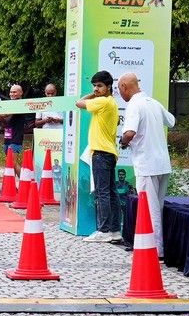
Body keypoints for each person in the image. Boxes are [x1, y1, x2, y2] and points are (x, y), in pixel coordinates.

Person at [117, 74, 176, 253]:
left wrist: (123, 142)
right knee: (157, 207)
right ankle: (155, 246)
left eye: (119, 89)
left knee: (150, 209)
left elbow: (129, 132)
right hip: (162, 163)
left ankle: (155, 249)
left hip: (147, 164)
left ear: (124, 86)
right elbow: (172, 121)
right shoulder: (153, 103)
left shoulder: (134, 105)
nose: (120, 93)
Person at [74, 70, 122, 240]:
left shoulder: (102, 102)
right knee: (111, 192)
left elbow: (78, 102)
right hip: (109, 152)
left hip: (101, 152)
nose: (95, 89)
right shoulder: (111, 102)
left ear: (109, 86)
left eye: (99, 86)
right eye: (94, 86)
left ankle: (104, 231)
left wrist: (93, 95)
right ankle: (114, 230)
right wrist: (97, 93)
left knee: (102, 193)